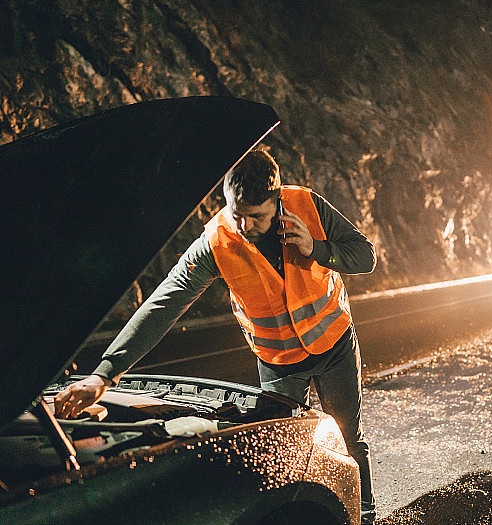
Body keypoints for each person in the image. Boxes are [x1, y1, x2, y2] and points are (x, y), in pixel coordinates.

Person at [54, 148, 377, 524]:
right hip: (278, 362)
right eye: (236, 213)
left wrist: (316, 249)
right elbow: (164, 303)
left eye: (256, 217)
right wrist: (104, 373)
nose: (244, 225)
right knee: (289, 453)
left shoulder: (309, 206)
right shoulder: (217, 240)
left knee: (348, 438)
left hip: (335, 346)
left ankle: (366, 515)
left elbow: (365, 257)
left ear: (277, 201)